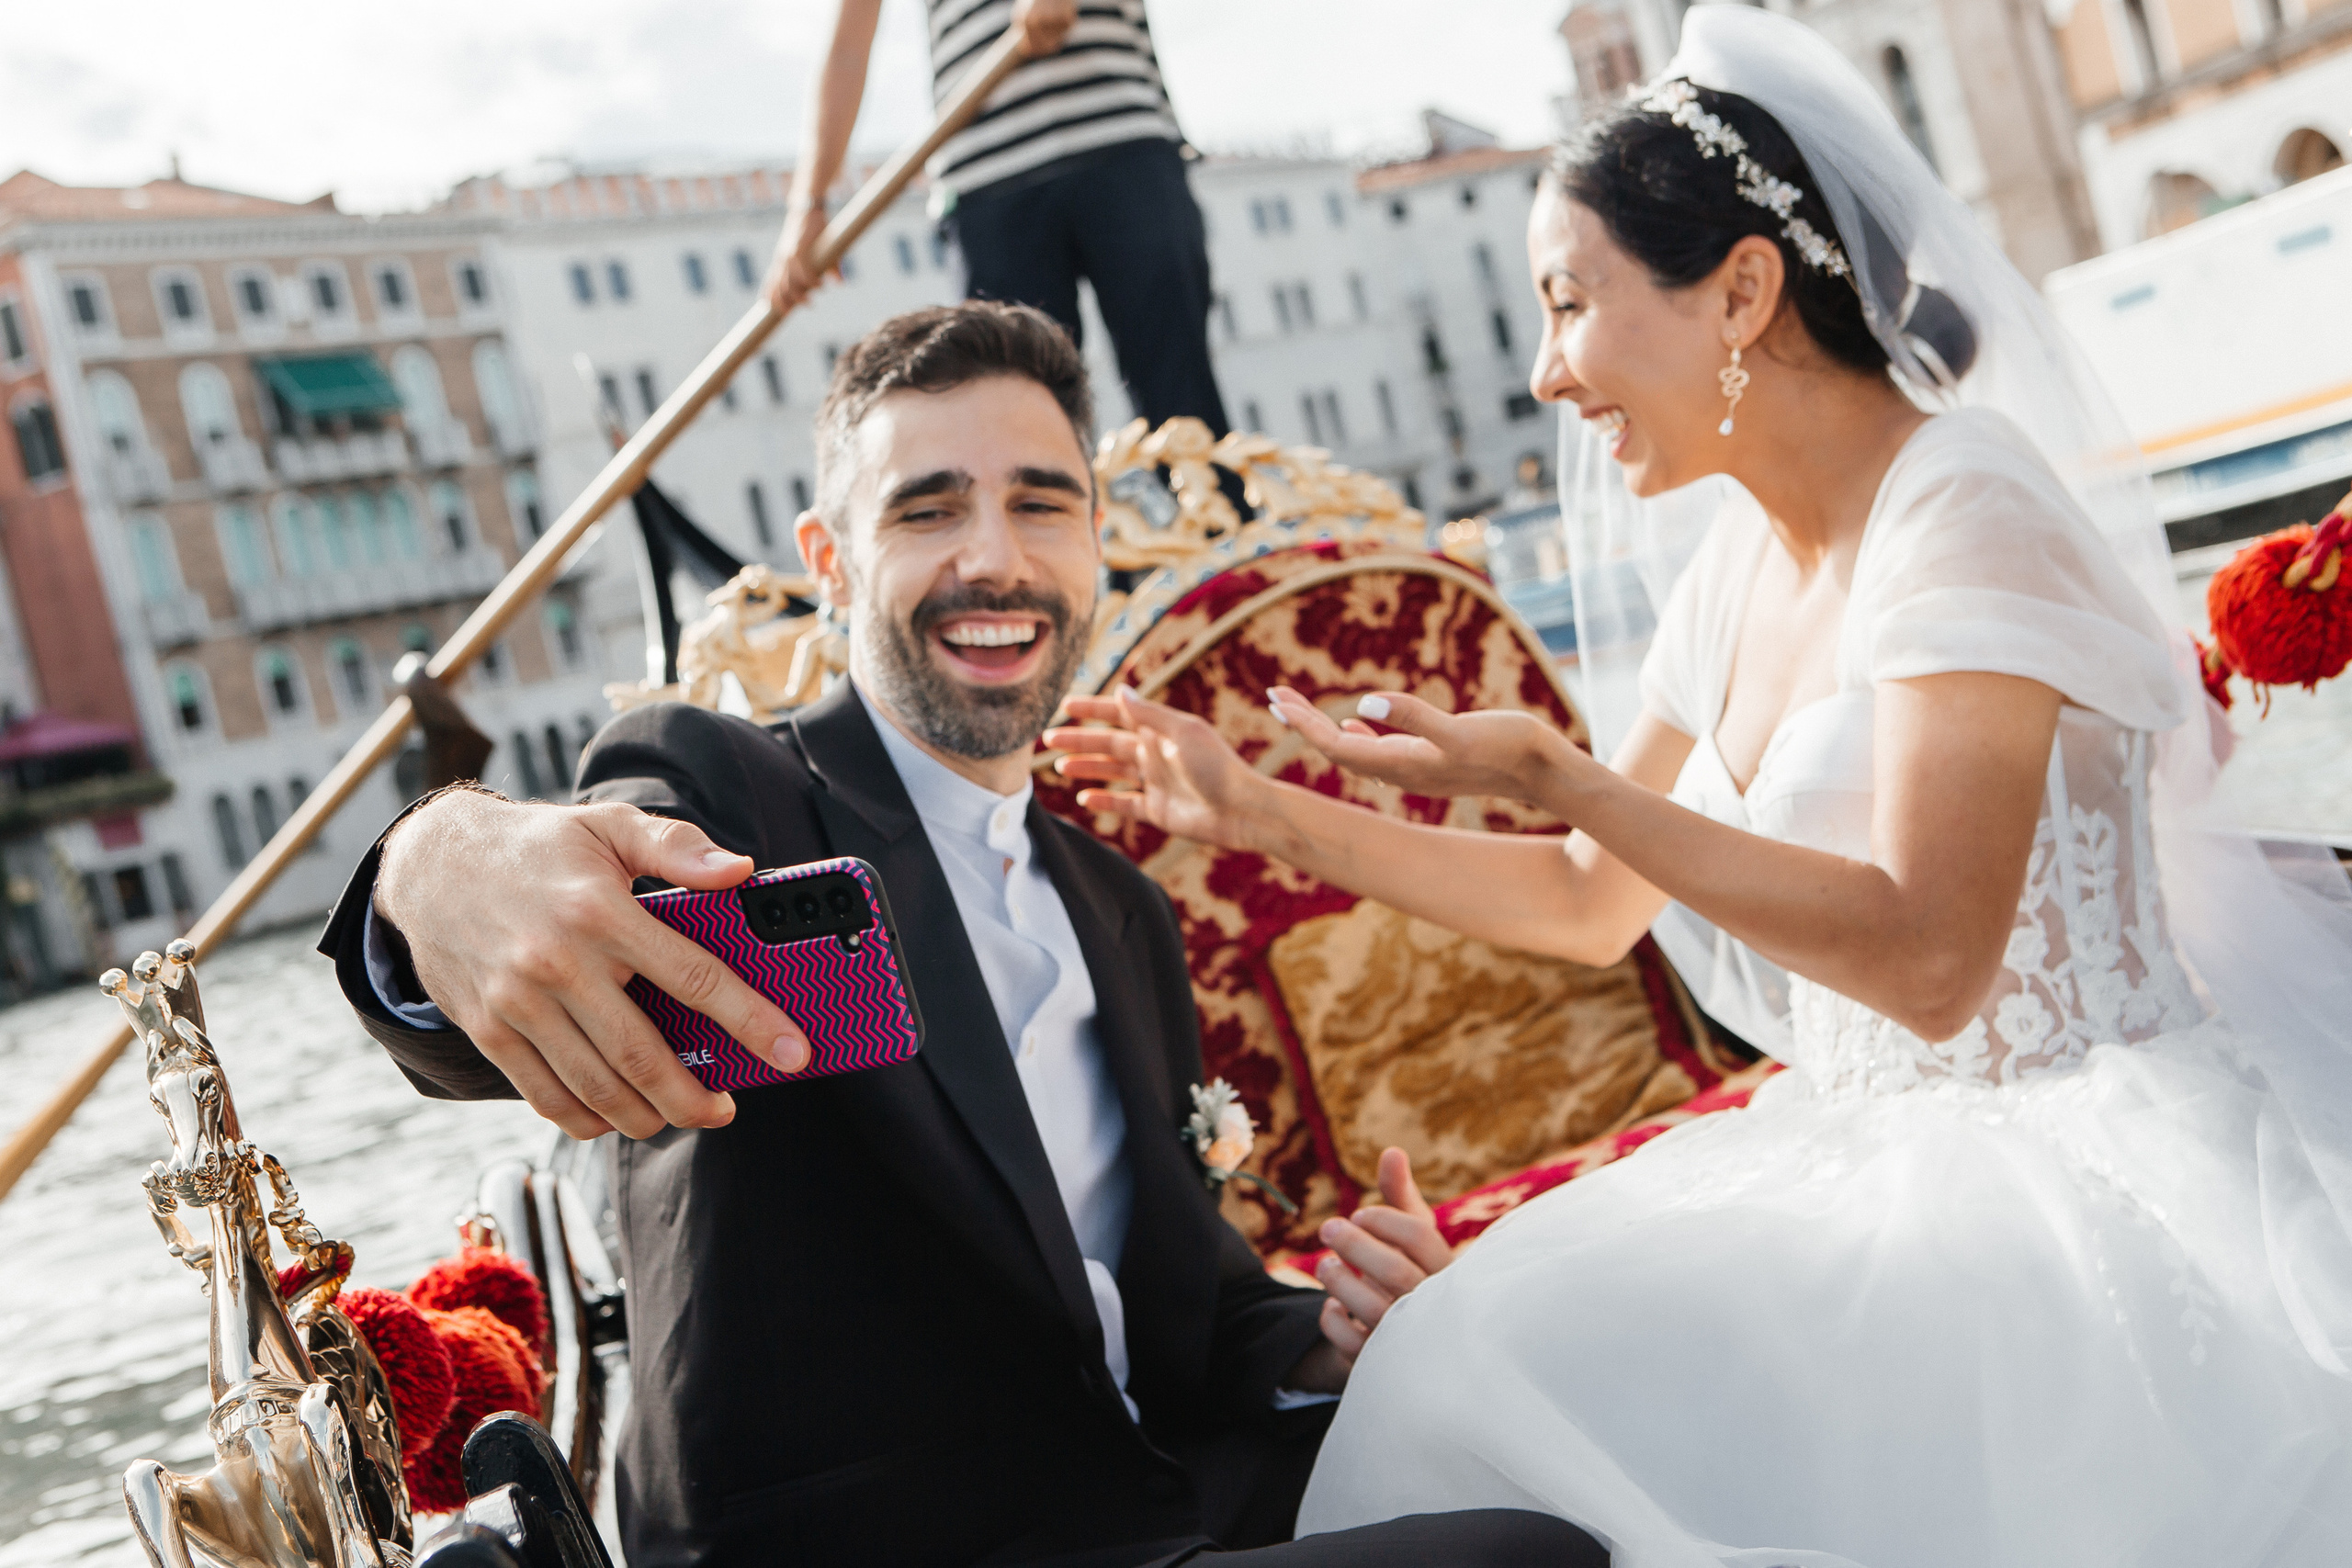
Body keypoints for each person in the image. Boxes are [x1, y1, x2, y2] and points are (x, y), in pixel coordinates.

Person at [1045, 10, 2352, 1564]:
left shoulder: (1967, 507)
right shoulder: (1737, 565)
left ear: (1742, 288)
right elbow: (1600, 909)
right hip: (1871, 1148)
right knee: (1464, 1352)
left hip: (2062, 1160)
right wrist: (1258, 810)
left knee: (1493, 1354)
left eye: (1570, 301)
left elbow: (1934, 961)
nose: (1544, 373)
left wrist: (1564, 777)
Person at [319, 302, 1600, 1568]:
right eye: (928, 509)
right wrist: (438, 864)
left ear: (1094, 542)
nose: (994, 558)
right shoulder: (723, 793)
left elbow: (1191, 1315)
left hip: (1162, 1504)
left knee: (1575, 1426)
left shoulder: (1122, 907)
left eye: (1042, 503)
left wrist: (1335, 1327)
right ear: (828, 560)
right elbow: (555, 921)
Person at [766, 0, 1233, 436]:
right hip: (986, 179)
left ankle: (1217, 523)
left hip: (1123, 138)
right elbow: (848, 48)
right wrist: (808, 204)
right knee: (1020, 415)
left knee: (1183, 399)